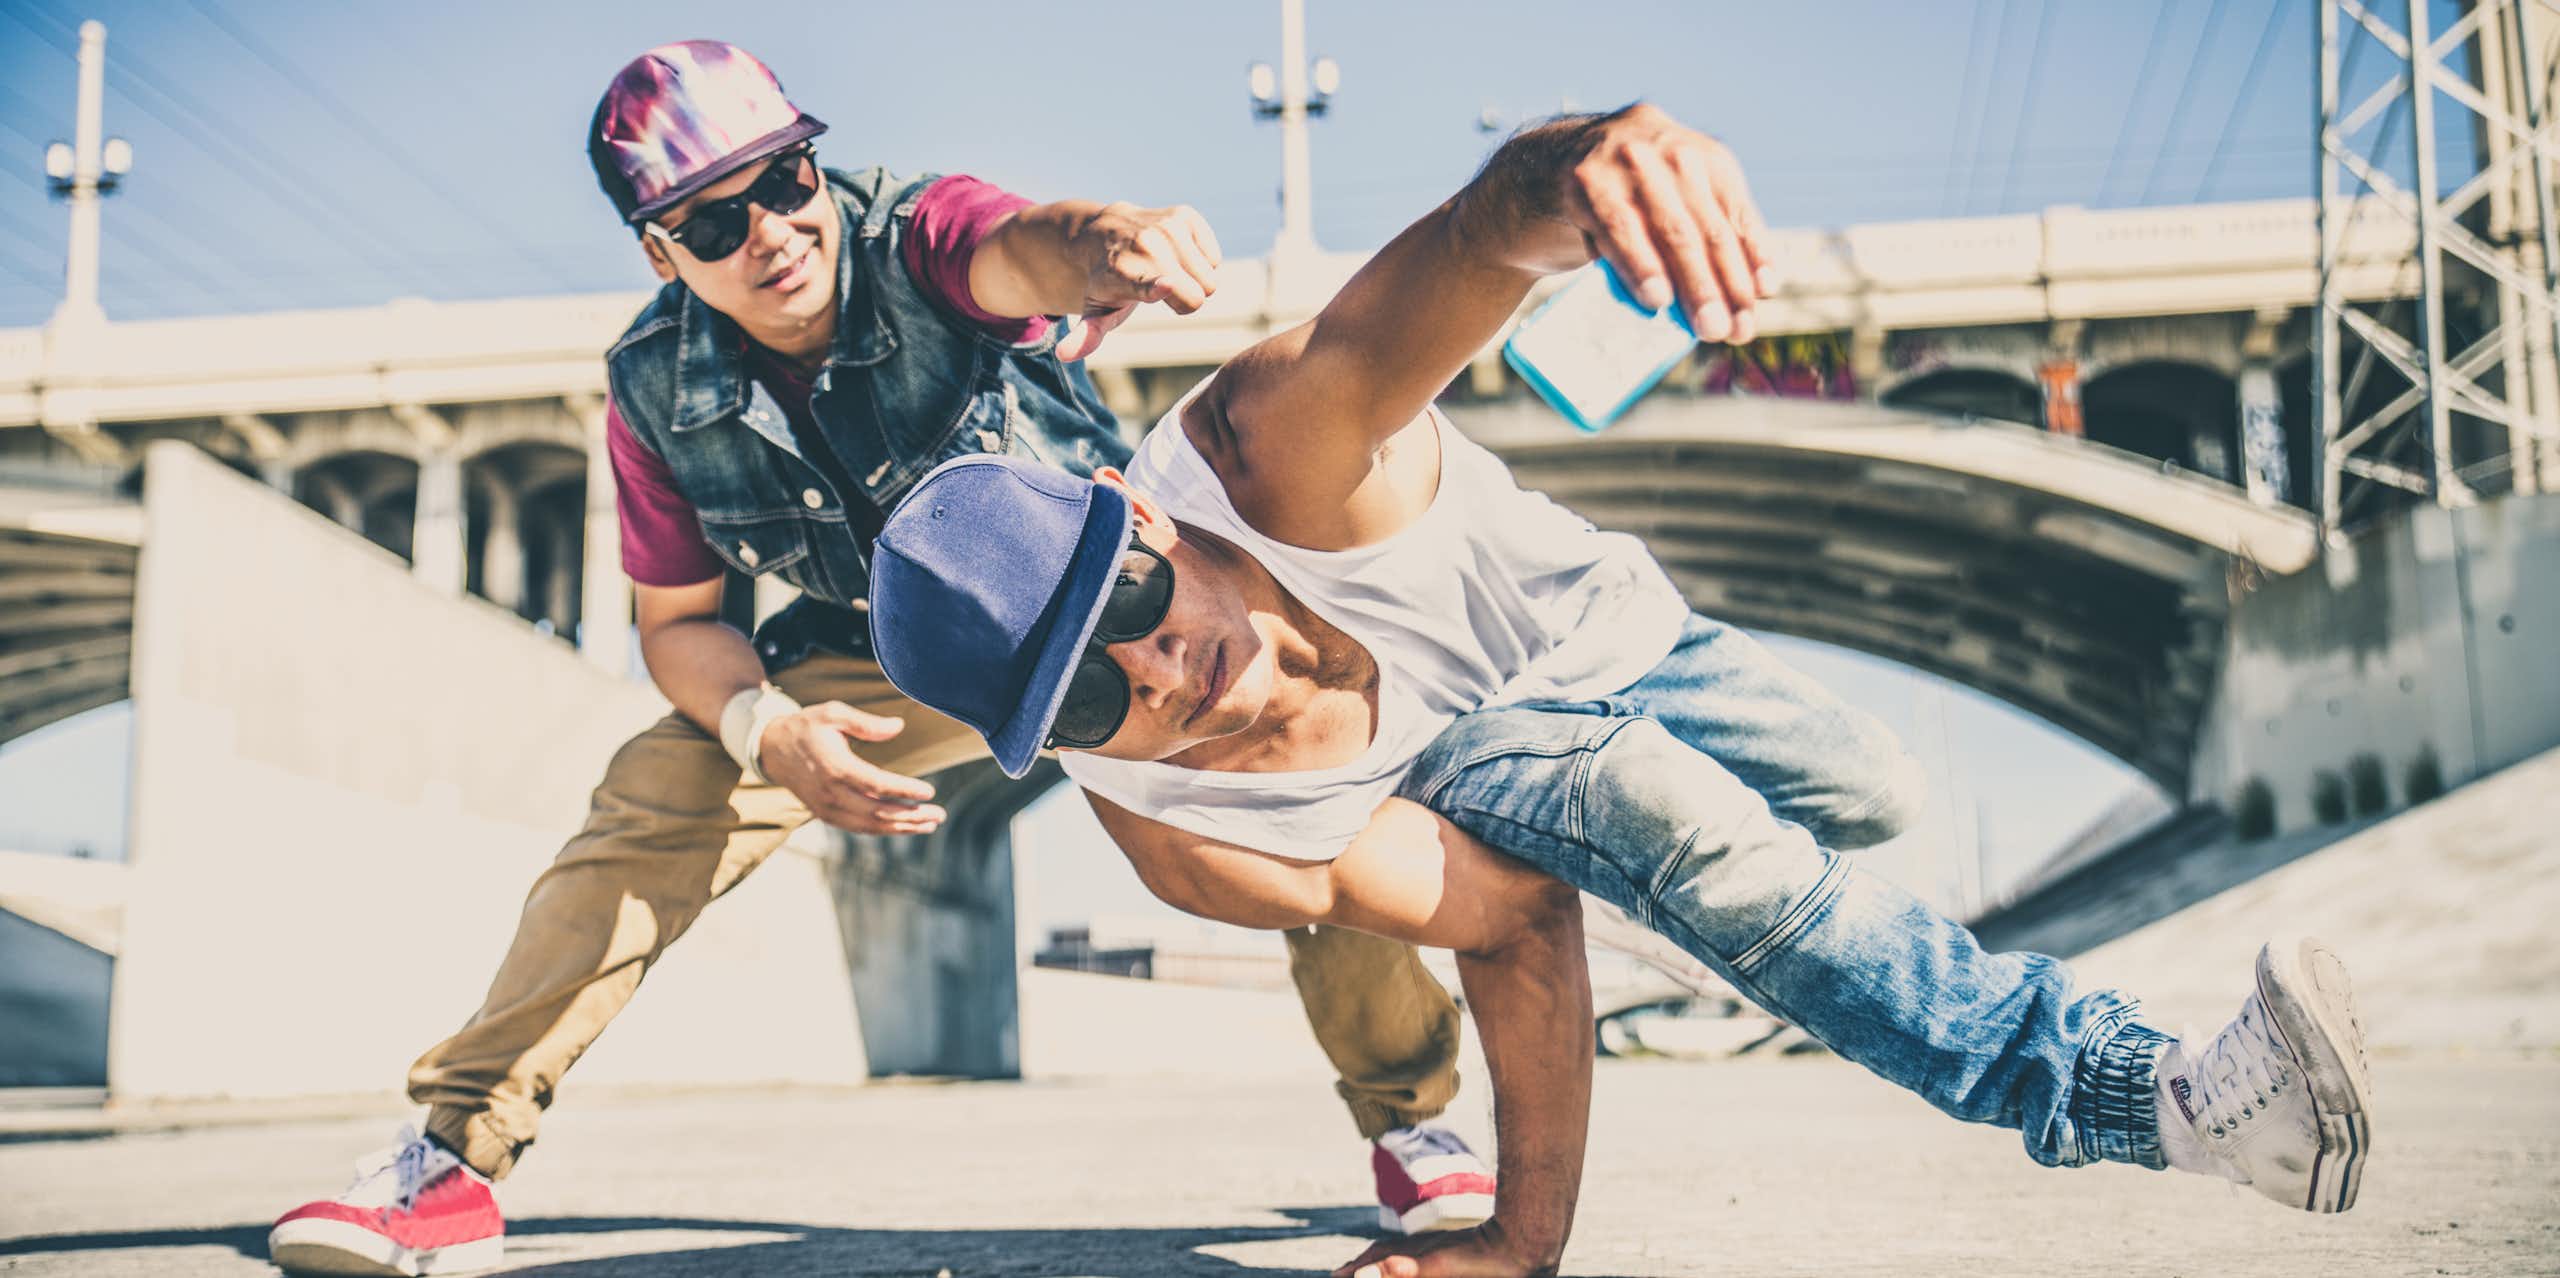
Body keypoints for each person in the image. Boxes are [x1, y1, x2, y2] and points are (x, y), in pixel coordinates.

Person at [864, 102, 2378, 1278]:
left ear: (1141, 521)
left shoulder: (1277, 440)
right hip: (1471, 760)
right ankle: (2164, 1099)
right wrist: (1523, 1245)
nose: (1152, 670)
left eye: (1122, 602)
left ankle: (1752, 900)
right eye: (1081, 702)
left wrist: (1592, 166)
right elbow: (1518, 927)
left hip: (1622, 633)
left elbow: (1475, 241)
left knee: (1873, 787)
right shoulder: (1194, 833)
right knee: (1640, 810)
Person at [268, 38, 1511, 1275]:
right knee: (660, 791)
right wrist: (768, 730)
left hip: (1104, 604)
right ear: (660, 253)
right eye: (711, 225)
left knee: (1300, 793)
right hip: (874, 665)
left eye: (783, 182)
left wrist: (1108, 242)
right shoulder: (651, 393)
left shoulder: (910, 237)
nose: (769, 232)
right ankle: (449, 1168)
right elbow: (676, 625)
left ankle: (1415, 1123)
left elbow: (1022, 243)